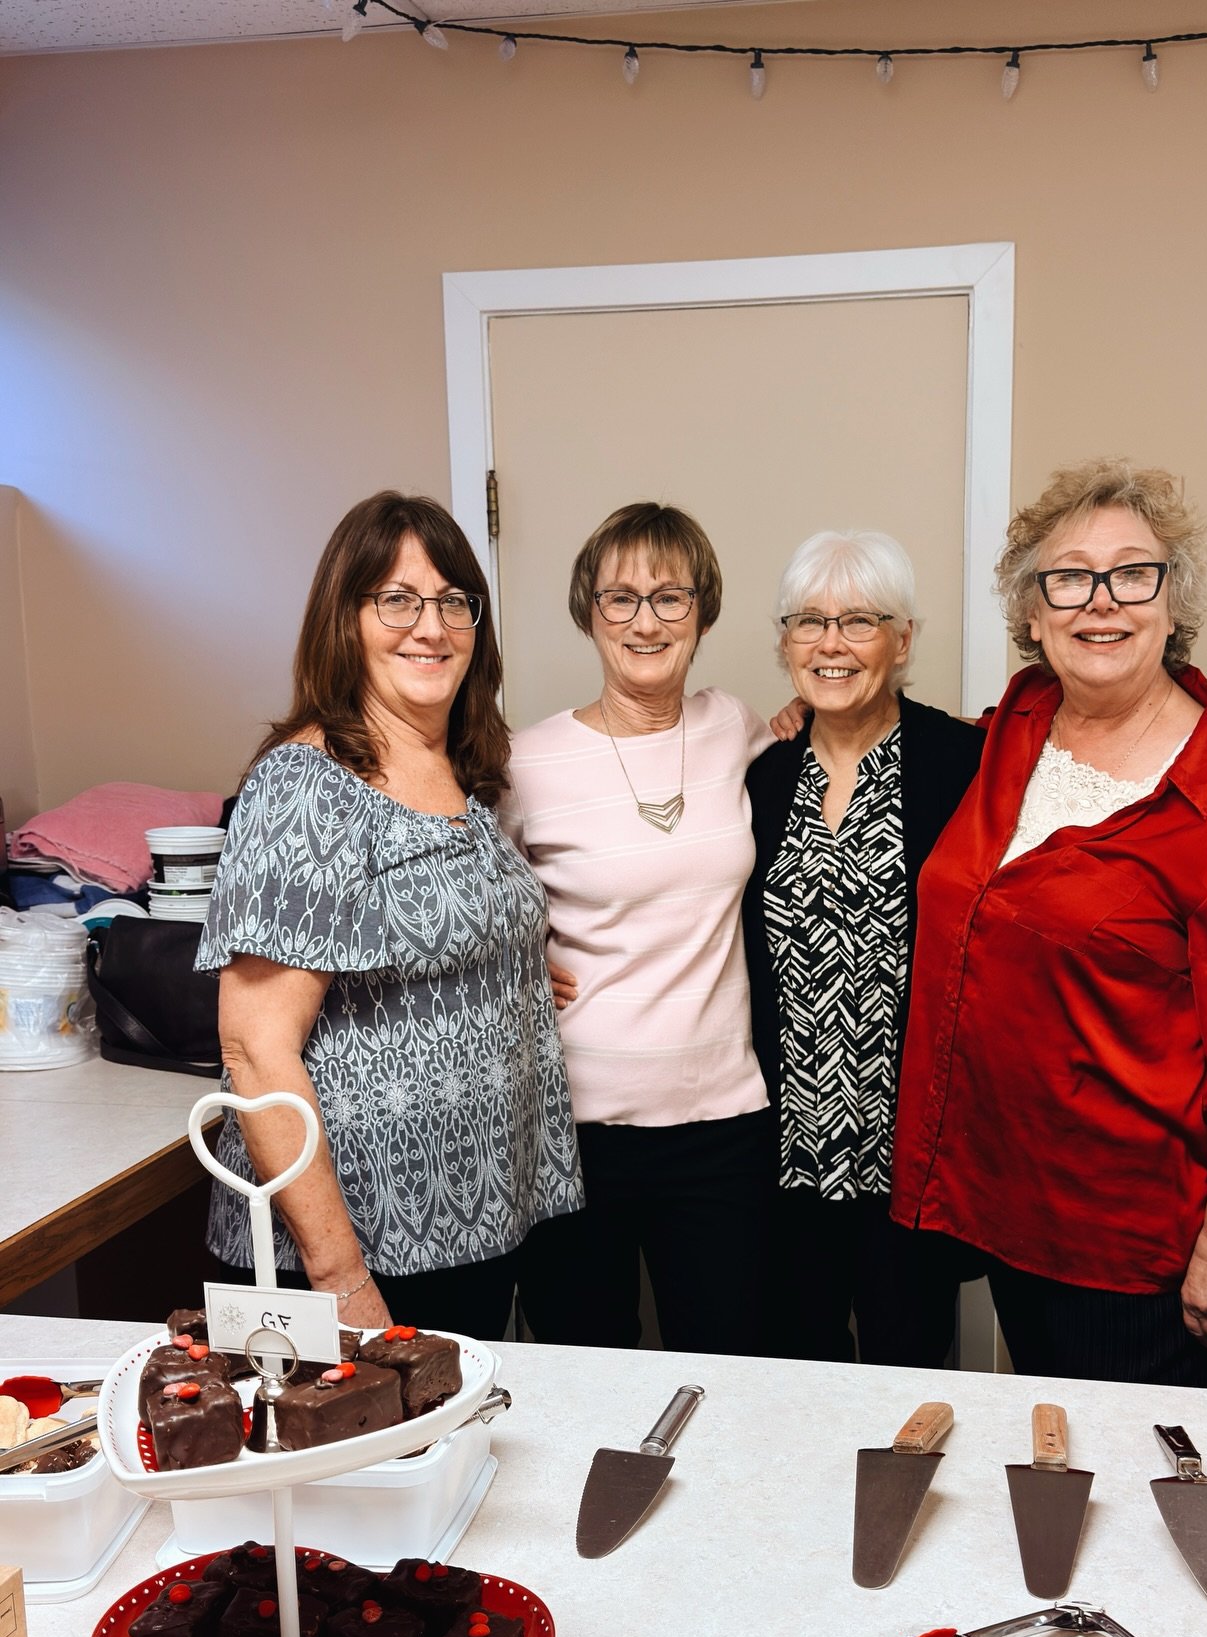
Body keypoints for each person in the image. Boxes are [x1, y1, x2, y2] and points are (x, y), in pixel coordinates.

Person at [890, 459, 1207, 1389]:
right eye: (1069, 576)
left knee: (1146, 1507)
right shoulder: (1017, 728)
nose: (1101, 602)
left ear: (1173, 604)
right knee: (1054, 1488)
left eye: (1133, 573)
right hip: (1005, 1215)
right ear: (1031, 609)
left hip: (1143, 1259)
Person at [198, 491, 582, 1337]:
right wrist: (343, 1285)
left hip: (480, 1218)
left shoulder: (462, 766)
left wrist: (504, 969)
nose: (431, 627)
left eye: (454, 601)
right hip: (363, 1252)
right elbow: (257, 1053)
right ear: (346, 618)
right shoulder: (306, 787)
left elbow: (412, 932)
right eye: (398, 599)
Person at [502, 501, 775, 1354]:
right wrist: (516, 956)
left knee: (733, 1366)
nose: (646, 621)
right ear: (590, 611)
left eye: (670, 597)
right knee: (588, 1367)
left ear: (704, 612)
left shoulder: (738, 727)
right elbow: (465, 896)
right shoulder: (526, 761)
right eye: (620, 598)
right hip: (573, 1128)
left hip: (722, 1121)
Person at [742, 531, 984, 1365]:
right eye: (810, 622)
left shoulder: (964, 765)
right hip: (781, 1152)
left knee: (907, 1383)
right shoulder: (760, 777)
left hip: (910, 1155)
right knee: (790, 1382)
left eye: (860, 621)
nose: (831, 644)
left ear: (904, 639)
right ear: (784, 644)